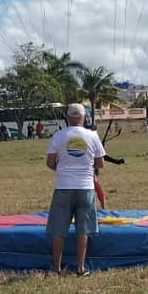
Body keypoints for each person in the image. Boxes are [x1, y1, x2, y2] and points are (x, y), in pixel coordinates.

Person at [45, 103, 105, 276]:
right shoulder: (92, 136)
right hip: (85, 187)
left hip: (63, 187)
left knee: (59, 229)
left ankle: (56, 268)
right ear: (83, 117)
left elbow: (50, 162)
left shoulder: (58, 136)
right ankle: (81, 268)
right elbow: (100, 162)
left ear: (68, 118)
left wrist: (63, 169)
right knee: (83, 229)